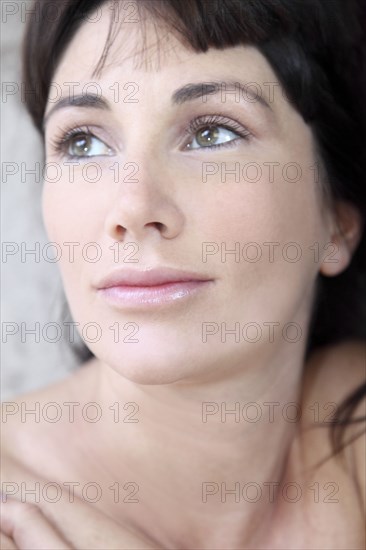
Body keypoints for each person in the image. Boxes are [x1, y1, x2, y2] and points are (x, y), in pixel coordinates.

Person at [1, 0, 365, 548]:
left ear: (336, 222)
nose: (131, 207)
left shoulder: (350, 420)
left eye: (213, 133)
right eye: (83, 142)